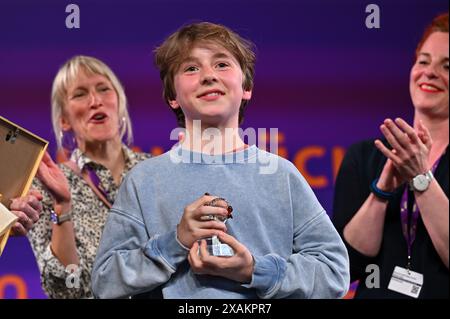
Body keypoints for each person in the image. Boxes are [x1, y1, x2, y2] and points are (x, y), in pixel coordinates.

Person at [91, 22, 349, 299]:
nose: (208, 76)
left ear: (246, 87)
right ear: (172, 97)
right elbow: (105, 281)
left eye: (222, 64)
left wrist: (252, 270)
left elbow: (334, 271)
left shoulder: (282, 175)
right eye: (191, 68)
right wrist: (175, 242)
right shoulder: (143, 180)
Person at [332, 13, 448, 298]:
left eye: (447, 65)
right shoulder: (365, 156)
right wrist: (381, 192)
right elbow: (349, 264)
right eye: (423, 60)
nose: (429, 72)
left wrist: (421, 178)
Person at [27, 55, 150, 298]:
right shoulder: (46, 186)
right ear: (64, 120)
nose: (95, 101)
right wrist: (63, 205)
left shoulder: (154, 171)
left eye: (104, 89)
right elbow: (66, 291)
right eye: (80, 94)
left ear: (119, 102)